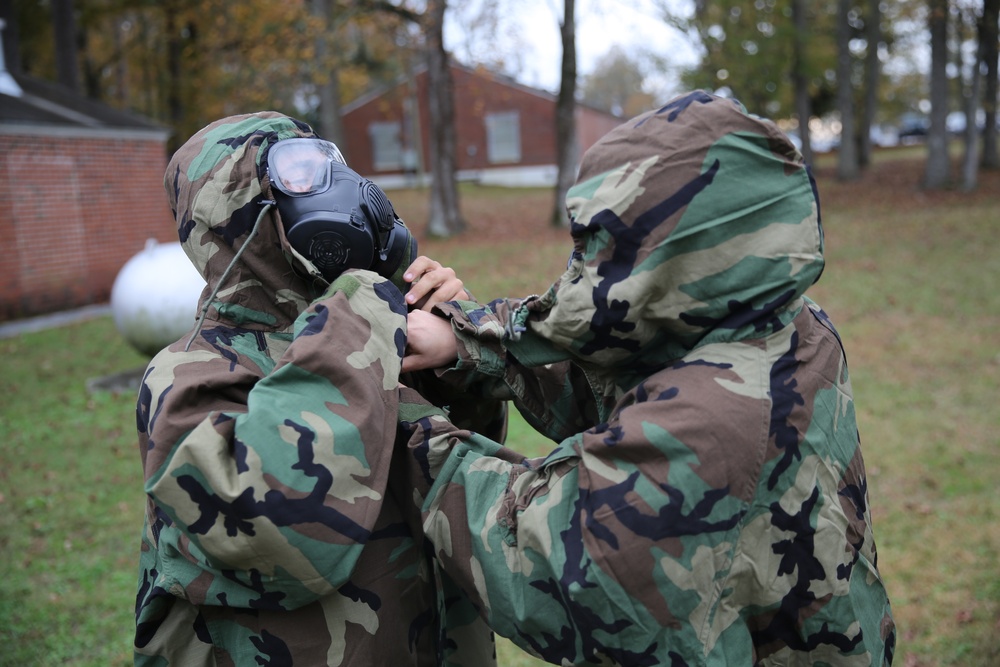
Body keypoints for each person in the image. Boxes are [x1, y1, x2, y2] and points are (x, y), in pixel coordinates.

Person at [399, 91, 896, 665]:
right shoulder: (788, 325)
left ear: (669, 254)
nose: (582, 263)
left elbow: (542, 562)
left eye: (596, 244)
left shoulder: (709, 420)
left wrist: (400, 423)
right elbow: (618, 362)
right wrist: (470, 339)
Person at [133, 111, 502, 666]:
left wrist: (454, 343)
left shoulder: (364, 319)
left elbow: (469, 463)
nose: (343, 188)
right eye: (302, 172)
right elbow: (268, 534)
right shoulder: (188, 374)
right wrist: (364, 311)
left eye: (332, 164)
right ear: (238, 215)